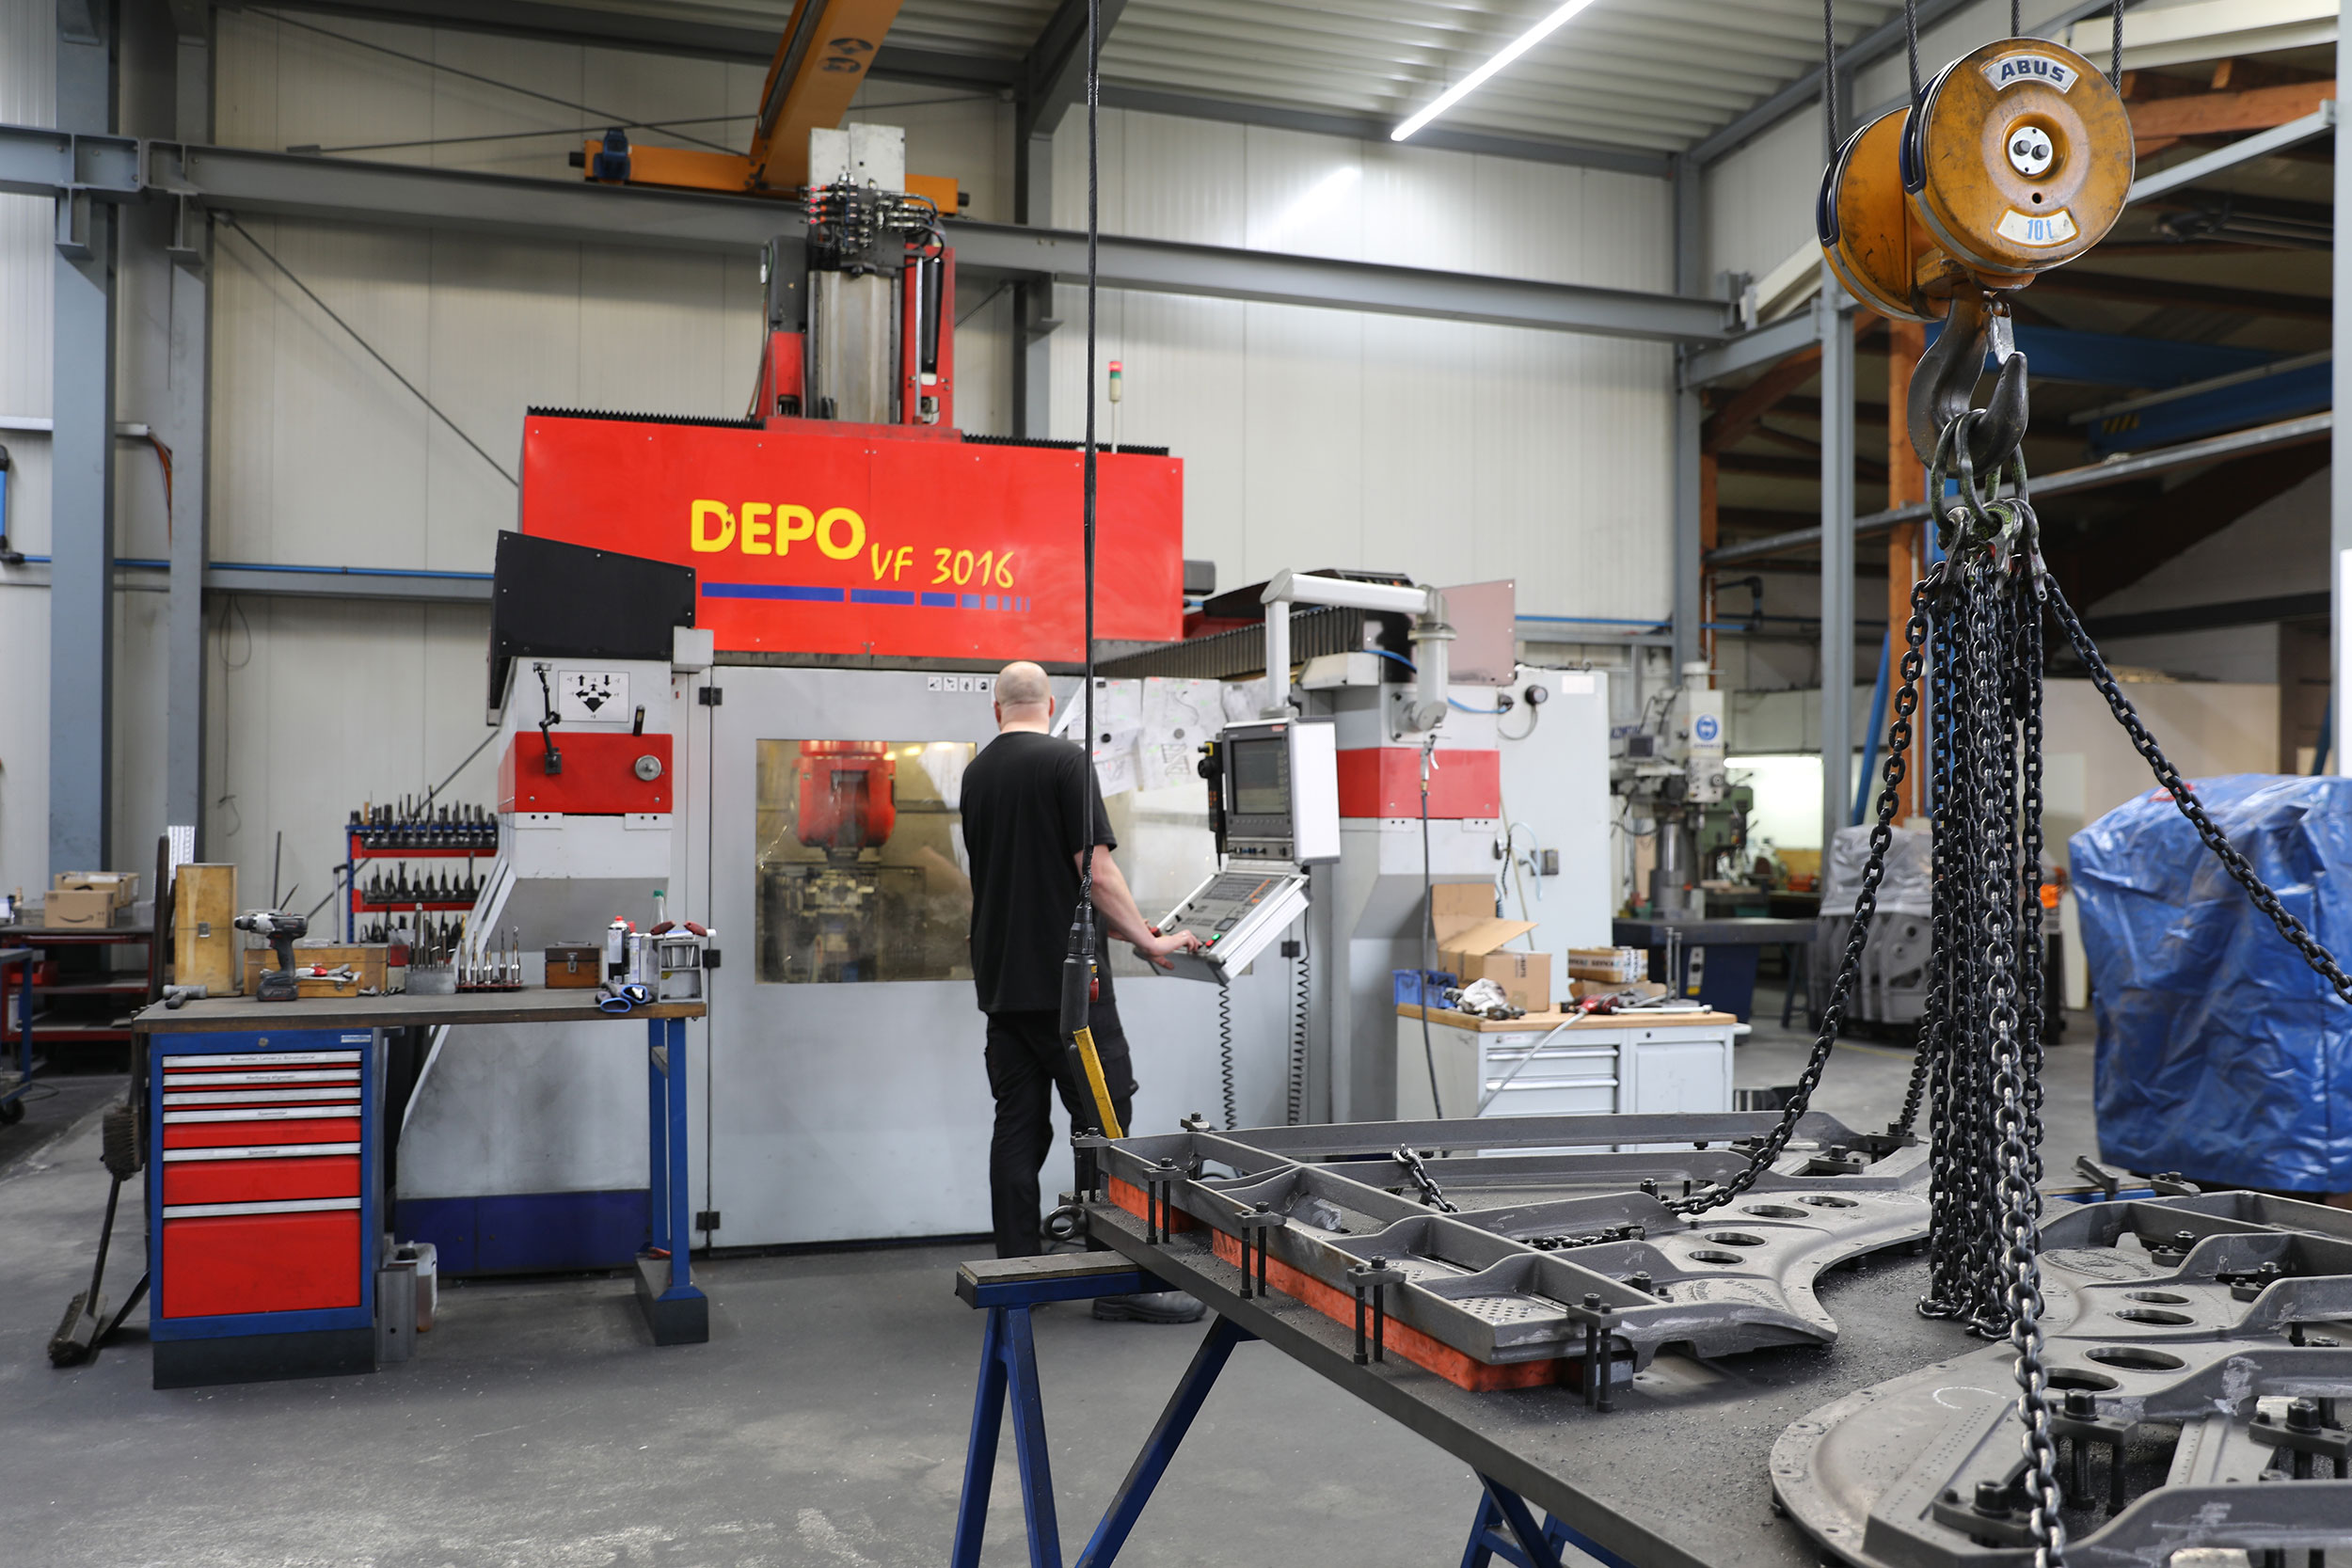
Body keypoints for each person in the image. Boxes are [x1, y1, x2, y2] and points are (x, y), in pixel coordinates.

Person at [960, 660, 1203, 1321]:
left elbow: (1020, 876)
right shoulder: (1066, 762)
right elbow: (1093, 868)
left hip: (1003, 986)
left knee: (1017, 1128)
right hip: (1071, 993)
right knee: (1105, 1126)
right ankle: (1114, 1281)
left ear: (997, 709)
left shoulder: (977, 773)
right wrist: (1149, 939)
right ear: (1050, 704)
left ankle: (1018, 1279)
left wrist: (1125, 931)